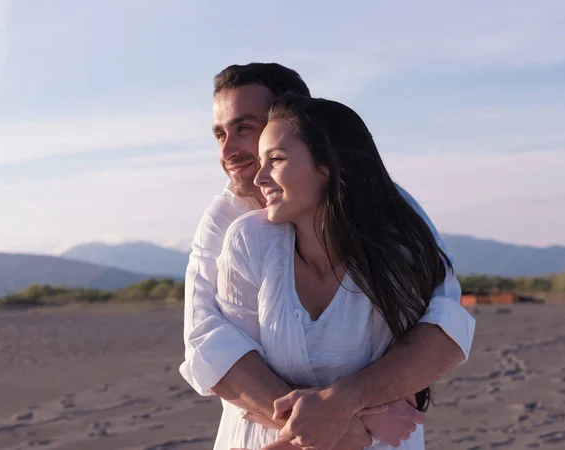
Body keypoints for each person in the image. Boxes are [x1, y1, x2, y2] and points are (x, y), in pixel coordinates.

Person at [179, 63, 476, 449]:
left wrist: (343, 404)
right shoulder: (226, 223)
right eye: (220, 134)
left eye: (244, 128)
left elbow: (443, 325)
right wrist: (340, 423)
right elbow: (209, 343)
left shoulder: (388, 210)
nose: (227, 151)